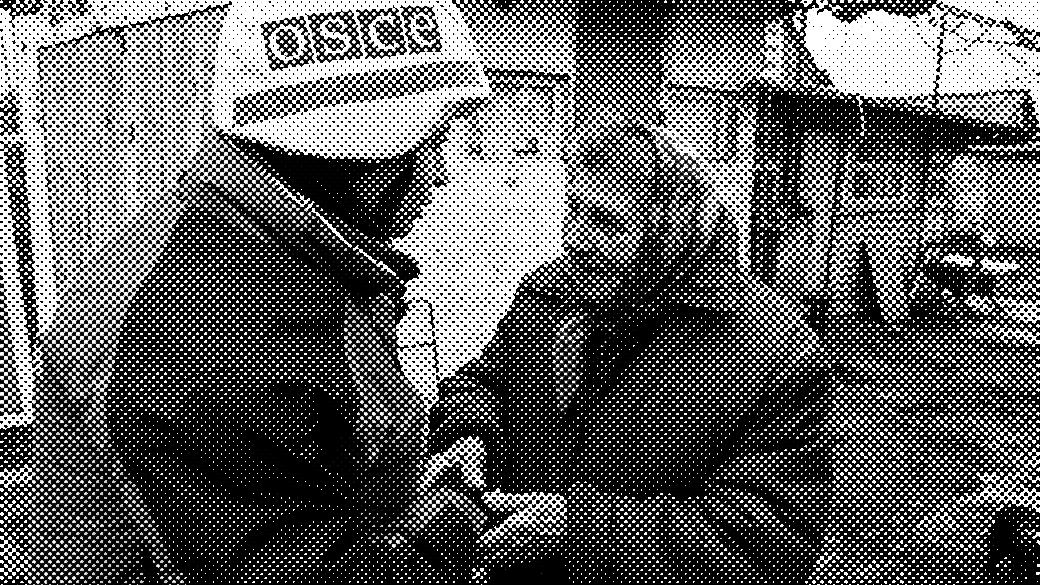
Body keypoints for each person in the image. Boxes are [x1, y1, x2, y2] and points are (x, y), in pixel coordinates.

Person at [106, 0, 489, 583]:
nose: (442, 165)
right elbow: (274, 559)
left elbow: (354, 470)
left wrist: (440, 464)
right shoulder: (232, 294)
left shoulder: (329, 265)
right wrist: (466, 535)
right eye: (428, 144)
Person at [424, 120, 836, 584]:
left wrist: (576, 526)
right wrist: (464, 447)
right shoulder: (550, 292)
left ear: (678, 217)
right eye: (573, 211)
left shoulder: (781, 353)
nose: (574, 240)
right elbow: (485, 384)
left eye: (603, 219)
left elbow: (771, 545)